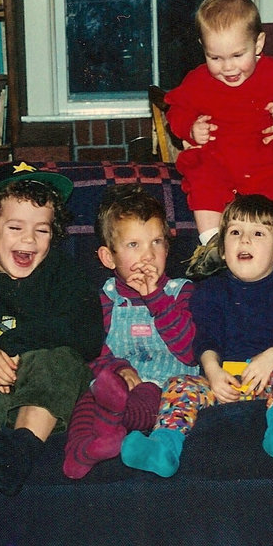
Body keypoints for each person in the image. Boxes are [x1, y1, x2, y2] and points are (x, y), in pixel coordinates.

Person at [0, 161, 103, 496]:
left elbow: (88, 337)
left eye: (41, 230)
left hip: (44, 393)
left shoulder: (65, 275)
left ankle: (21, 449)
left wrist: (14, 348)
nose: (29, 239)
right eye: (15, 227)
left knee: (61, 361)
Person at [121, 194, 273, 477]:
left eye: (257, 233)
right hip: (223, 383)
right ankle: (163, 447)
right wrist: (212, 371)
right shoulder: (210, 291)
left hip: (270, 379)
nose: (244, 240)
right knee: (179, 384)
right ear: (222, 249)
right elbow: (205, 338)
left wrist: (271, 357)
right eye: (235, 232)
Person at [165, 0, 273, 278]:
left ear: (258, 43)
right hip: (217, 157)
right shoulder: (197, 80)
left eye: (237, 55)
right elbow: (175, 111)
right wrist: (191, 128)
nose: (228, 67)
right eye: (215, 58)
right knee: (203, 180)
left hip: (264, 156)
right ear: (203, 48)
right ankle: (211, 245)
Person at [62, 184, 195, 479]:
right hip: (117, 382)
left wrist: (157, 300)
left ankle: (114, 422)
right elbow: (93, 349)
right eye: (134, 245)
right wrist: (118, 368)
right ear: (109, 258)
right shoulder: (105, 300)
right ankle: (81, 450)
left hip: (165, 387)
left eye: (157, 242)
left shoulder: (180, 293)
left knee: (147, 394)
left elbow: (189, 351)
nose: (148, 255)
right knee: (89, 395)